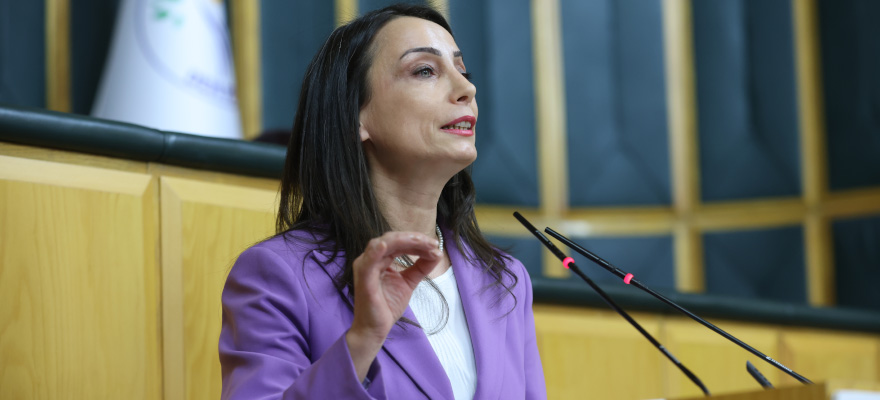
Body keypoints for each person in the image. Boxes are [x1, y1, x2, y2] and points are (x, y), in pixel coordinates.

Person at [219, 4, 546, 399]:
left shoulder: (506, 280)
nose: (467, 89)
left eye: (464, 71)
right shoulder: (277, 274)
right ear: (355, 115)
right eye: (424, 71)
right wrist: (362, 339)